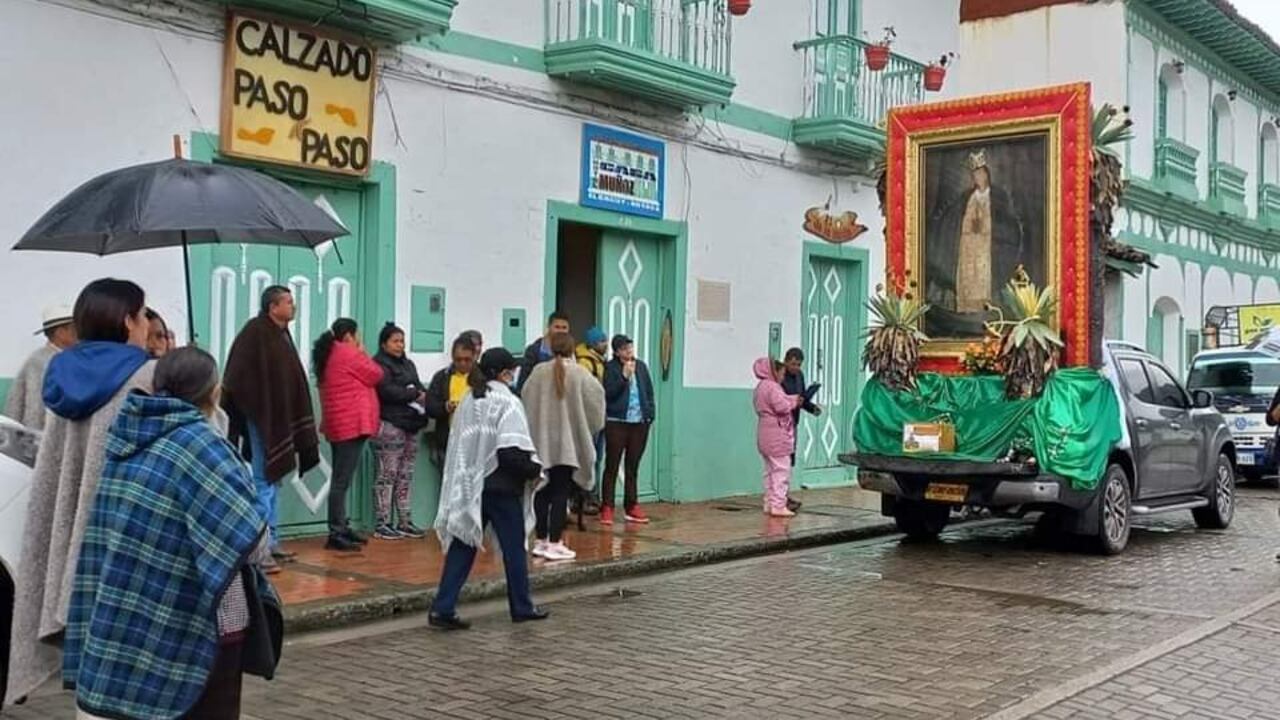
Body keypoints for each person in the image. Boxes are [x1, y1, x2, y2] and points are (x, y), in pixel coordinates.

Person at [63, 347, 268, 720]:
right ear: (214, 391)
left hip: (128, 612)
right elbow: (252, 542)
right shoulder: (203, 445)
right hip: (200, 619)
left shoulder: (128, 435)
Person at [7, 278, 156, 704]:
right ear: (127, 320)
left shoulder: (62, 370)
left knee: (93, 657)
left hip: (75, 523)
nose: (147, 324)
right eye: (143, 315)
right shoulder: (146, 374)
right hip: (126, 525)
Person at [429, 348, 549, 630]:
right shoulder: (507, 402)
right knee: (514, 549)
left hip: (473, 484)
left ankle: (443, 606)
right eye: (512, 369)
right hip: (502, 486)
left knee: (464, 542)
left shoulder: (471, 398)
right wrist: (535, 470)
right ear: (504, 373)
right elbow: (509, 450)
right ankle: (521, 605)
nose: (515, 374)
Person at [222, 286, 320, 572]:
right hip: (261, 417)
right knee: (264, 480)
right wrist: (258, 404)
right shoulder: (255, 332)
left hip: (278, 418)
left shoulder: (280, 334)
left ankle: (272, 539)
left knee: (274, 480)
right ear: (272, 306)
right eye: (288, 302)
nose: (294, 306)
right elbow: (236, 376)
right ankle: (258, 548)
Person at [522, 333, 605, 561]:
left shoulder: (538, 372)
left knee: (542, 490)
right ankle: (556, 542)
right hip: (568, 445)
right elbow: (598, 402)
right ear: (572, 350)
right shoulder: (580, 373)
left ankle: (540, 540)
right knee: (561, 492)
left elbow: (525, 398)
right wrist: (586, 427)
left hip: (542, 442)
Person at [314, 318, 383, 552]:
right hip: (351, 424)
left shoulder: (329, 353)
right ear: (349, 336)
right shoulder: (347, 352)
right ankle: (336, 532)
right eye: (358, 336)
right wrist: (361, 352)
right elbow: (375, 374)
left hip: (339, 424)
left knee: (340, 479)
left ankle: (341, 527)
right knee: (341, 481)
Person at [372, 322, 429, 541]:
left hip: (411, 424)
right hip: (390, 425)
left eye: (402, 341)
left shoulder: (408, 364)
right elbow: (387, 391)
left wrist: (416, 393)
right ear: (384, 344)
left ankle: (404, 520)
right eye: (395, 341)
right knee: (387, 475)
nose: (400, 345)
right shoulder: (379, 365)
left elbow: (416, 387)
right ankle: (382, 522)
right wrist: (412, 394)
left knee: (405, 476)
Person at [600, 334, 656, 526]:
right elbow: (608, 393)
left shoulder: (641, 366)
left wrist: (650, 414)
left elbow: (648, 391)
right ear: (616, 352)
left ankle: (631, 506)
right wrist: (624, 377)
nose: (629, 352)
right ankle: (607, 506)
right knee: (612, 465)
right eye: (624, 349)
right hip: (617, 421)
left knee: (633, 466)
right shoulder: (610, 368)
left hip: (639, 422)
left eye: (630, 348)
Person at [4, 304, 76, 430]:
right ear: (60, 333)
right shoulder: (39, 361)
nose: (80, 332)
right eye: (74, 328)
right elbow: (35, 407)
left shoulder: (71, 357)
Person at [753, 357, 804, 518]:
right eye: (781, 373)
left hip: (764, 433)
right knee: (782, 469)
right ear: (773, 372)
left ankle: (769, 502)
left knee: (769, 470)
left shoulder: (760, 387)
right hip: (777, 434)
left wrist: (792, 398)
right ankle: (778, 504)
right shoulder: (773, 387)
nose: (783, 377)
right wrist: (793, 403)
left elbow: (774, 403)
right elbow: (781, 407)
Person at [425, 334, 479, 469]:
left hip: (475, 443)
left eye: (467, 360)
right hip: (448, 441)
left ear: (475, 357)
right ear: (452, 357)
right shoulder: (442, 377)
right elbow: (430, 407)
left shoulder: (482, 378)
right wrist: (445, 407)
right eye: (458, 359)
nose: (462, 363)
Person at [575, 326, 610, 515]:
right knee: (589, 459)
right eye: (602, 341)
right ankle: (585, 496)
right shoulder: (586, 363)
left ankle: (591, 495)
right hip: (591, 419)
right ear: (593, 344)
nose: (605, 344)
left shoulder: (600, 361)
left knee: (597, 458)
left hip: (601, 416)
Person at [781, 347, 821, 513]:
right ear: (786, 361)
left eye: (798, 365)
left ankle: (784, 495)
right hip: (781, 424)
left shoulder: (799, 376)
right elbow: (783, 400)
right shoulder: (780, 378)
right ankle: (780, 497)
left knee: (790, 460)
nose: (795, 368)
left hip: (793, 423)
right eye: (793, 364)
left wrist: (811, 408)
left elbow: (801, 398)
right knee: (781, 462)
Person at [517, 311, 570, 393]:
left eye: (564, 328)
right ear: (548, 327)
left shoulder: (572, 351)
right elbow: (523, 383)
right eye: (557, 327)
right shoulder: (534, 350)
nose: (561, 331)